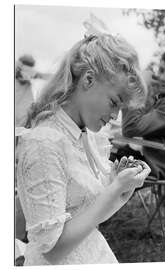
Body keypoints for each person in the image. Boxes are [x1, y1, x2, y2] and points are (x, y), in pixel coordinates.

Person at [16, 33, 151, 265]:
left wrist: (120, 191)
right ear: (88, 80)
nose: (114, 116)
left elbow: (87, 221)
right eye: (114, 102)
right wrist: (113, 190)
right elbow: (53, 250)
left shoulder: (82, 137)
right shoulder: (45, 143)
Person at [122, 49, 165, 182]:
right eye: (161, 70)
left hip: (154, 165)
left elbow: (130, 128)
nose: (162, 77)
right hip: (148, 158)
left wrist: (140, 87)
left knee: (102, 161)